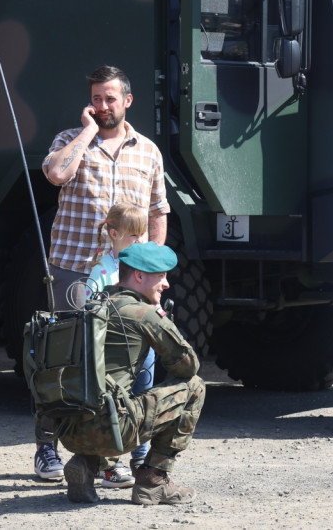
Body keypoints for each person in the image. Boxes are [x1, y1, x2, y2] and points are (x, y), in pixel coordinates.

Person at [34, 65, 170, 480]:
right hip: (74, 272)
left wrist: (153, 270)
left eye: (110, 98)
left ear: (127, 101)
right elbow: (56, 174)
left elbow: (158, 211)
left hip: (128, 281)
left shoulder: (148, 150)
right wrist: (88, 132)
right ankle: (48, 450)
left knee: (133, 366)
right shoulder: (69, 141)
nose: (103, 106)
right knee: (63, 364)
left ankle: (124, 454)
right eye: (96, 98)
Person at [59, 241, 205, 505]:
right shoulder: (144, 314)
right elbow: (189, 366)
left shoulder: (91, 307)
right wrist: (162, 319)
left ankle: (84, 463)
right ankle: (153, 480)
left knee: (103, 395)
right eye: (161, 276)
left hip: (70, 429)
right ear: (139, 276)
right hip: (113, 431)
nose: (166, 283)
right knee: (195, 386)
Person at [85, 202, 152, 485]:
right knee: (117, 402)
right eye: (133, 235)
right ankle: (111, 461)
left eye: (142, 235)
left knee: (144, 397)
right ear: (113, 234)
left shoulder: (145, 268)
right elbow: (89, 309)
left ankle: (142, 456)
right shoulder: (102, 271)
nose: (139, 241)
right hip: (114, 352)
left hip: (143, 348)